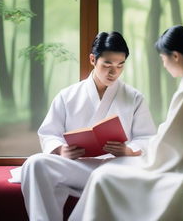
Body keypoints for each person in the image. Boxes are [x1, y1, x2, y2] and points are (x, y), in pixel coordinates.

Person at [69, 25, 183, 221]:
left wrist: (141, 154)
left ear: (175, 56)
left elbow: (171, 142)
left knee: (103, 176)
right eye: (107, 65)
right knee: (105, 173)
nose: (164, 65)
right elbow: (174, 136)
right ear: (93, 60)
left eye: (163, 59)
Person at [20, 31, 156, 221]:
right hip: (80, 166)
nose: (113, 71)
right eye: (107, 64)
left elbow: (147, 138)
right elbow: (49, 133)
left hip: (117, 166)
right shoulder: (67, 95)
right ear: (93, 59)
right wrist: (61, 150)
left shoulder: (134, 97)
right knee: (35, 163)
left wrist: (128, 150)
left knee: (131, 167)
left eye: (120, 65)